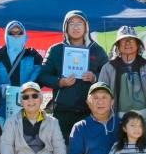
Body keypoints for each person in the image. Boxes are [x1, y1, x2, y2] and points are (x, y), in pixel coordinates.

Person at [38, 10, 108, 142]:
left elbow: (109, 74)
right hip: (62, 112)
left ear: (86, 27)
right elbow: (43, 75)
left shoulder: (97, 50)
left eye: (79, 23)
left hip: (89, 111)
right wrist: (60, 82)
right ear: (66, 27)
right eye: (72, 23)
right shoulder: (56, 50)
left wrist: (95, 78)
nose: (76, 27)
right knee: (61, 150)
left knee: (86, 150)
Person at [98, 26, 146, 122]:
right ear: (118, 45)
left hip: (145, 119)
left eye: (131, 40)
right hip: (116, 120)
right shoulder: (108, 68)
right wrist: (109, 120)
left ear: (138, 45)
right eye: (123, 40)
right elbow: (102, 94)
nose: (128, 43)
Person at [0, 21, 43, 118]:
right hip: (2, 104)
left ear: (24, 35)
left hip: (26, 103)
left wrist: (27, 88)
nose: (16, 36)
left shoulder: (33, 55)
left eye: (19, 33)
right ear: (6, 35)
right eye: (12, 33)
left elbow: (38, 76)